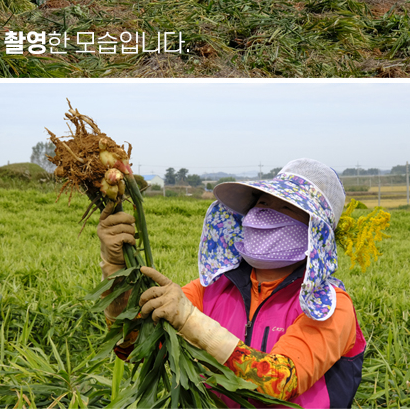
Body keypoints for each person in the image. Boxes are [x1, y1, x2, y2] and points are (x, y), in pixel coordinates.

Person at [98, 158, 366, 406]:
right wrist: (116, 270)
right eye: (262, 203)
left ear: (315, 232)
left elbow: (279, 381)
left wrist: (191, 321)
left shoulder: (327, 307)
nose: (265, 214)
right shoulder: (211, 289)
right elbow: (134, 346)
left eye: (286, 207)